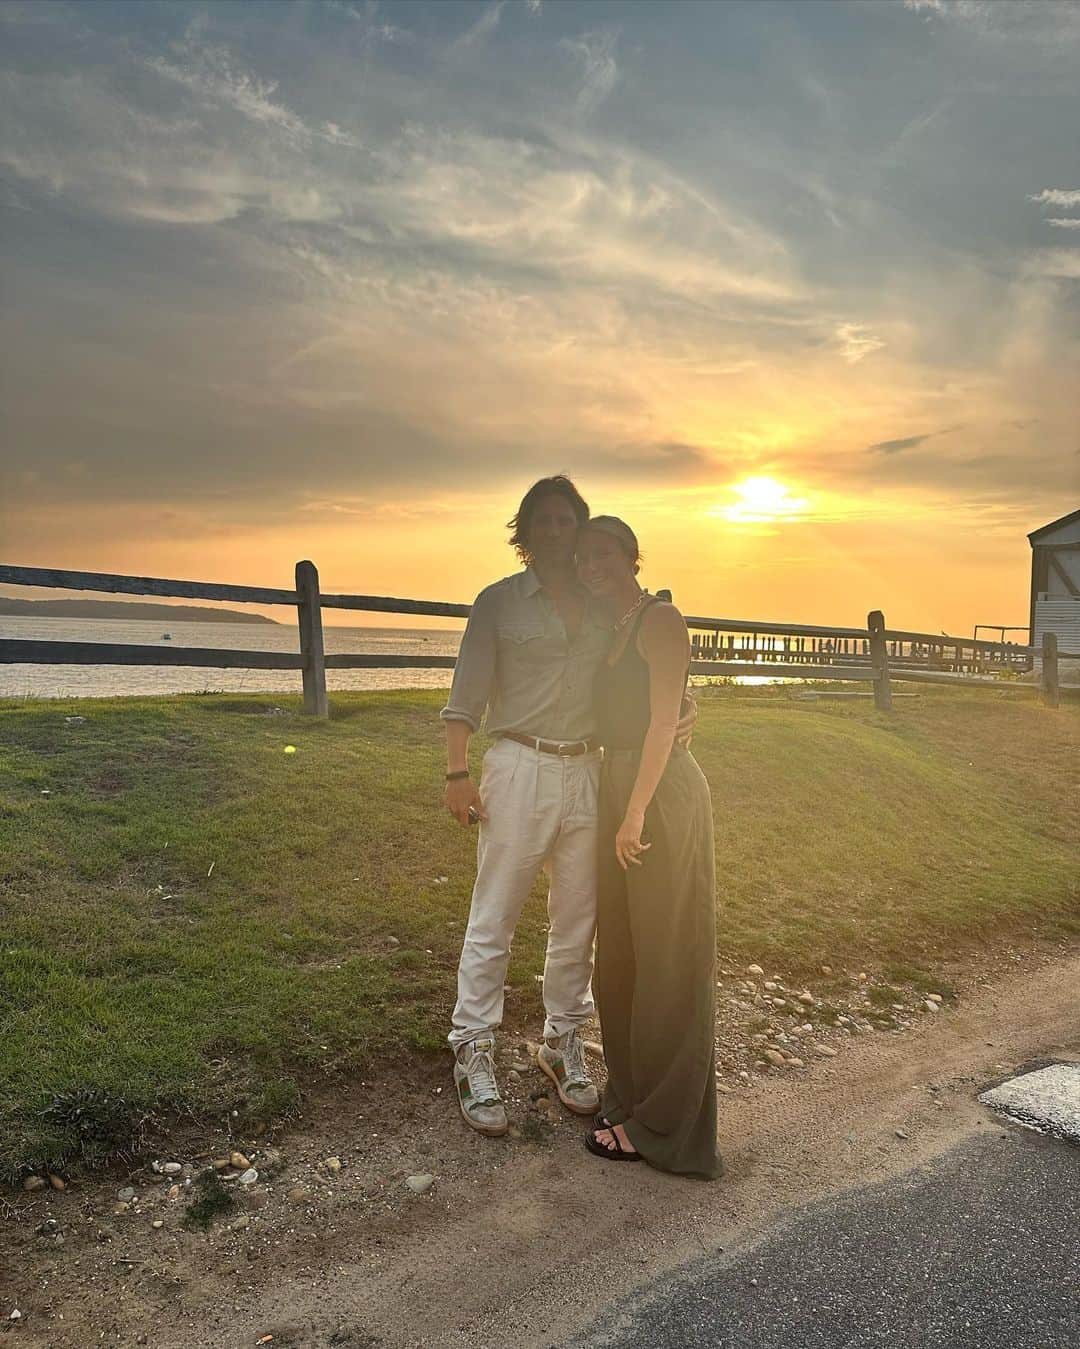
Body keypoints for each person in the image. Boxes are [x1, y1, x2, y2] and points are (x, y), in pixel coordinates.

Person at [441, 478, 695, 1137]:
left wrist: (685, 709)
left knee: (577, 919)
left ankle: (562, 1040)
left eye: (567, 522)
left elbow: (647, 667)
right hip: (518, 764)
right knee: (494, 913)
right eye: (544, 521)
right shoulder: (497, 603)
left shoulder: (605, 606)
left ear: (579, 533)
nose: (556, 532)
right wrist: (456, 770)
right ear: (526, 530)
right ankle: (472, 1045)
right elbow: (465, 692)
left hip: (587, 768)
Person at [576, 516, 722, 1180]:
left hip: (655, 795)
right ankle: (630, 1098)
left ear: (632, 556)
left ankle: (666, 1126)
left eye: (605, 551)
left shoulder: (661, 619)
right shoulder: (610, 626)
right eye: (584, 554)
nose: (592, 562)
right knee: (623, 959)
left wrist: (635, 809)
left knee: (667, 958)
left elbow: (666, 718)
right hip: (618, 785)